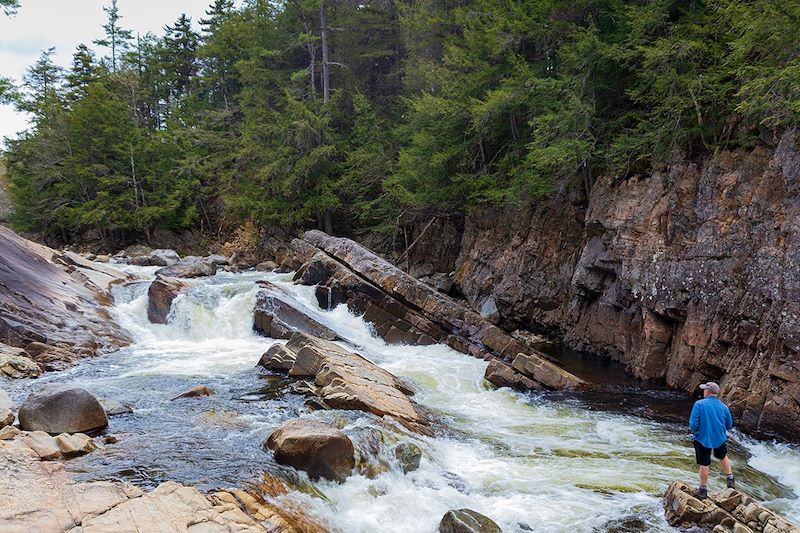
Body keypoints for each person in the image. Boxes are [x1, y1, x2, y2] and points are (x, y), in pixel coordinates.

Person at [689, 381, 734, 499]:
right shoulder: (724, 407)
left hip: (701, 438)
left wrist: (695, 433)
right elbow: (729, 425)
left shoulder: (699, 404)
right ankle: (730, 481)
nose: (703, 391)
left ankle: (703, 491)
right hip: (719, 438)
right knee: (722, 456)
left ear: (707, 391)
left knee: (704, 464)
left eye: (704, 389)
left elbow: (693, 424)